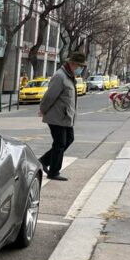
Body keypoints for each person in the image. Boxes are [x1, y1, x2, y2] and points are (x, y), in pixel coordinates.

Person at [37, 52, 87, 181]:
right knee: (60, 143)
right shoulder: (60, 76)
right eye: (79, 66)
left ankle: (43, 161)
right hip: (57, 116)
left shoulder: (69, 76)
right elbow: (50, 96)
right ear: (72, 64)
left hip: (65, 117)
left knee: (69, 139)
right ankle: (54, 172)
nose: (81, 68)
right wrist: (42, 109)